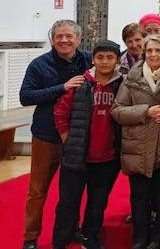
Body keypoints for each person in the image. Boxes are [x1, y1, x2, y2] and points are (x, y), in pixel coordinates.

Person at [19, 20, 92, 249]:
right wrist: (62, 87)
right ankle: (31, 237)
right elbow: (26, 96)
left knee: (73, 189)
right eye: (59, 36)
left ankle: (71, 228)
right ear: (52, 39)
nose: (64, 40)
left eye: (69, 36)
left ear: (78, 39)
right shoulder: (39, 65)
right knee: (37, 190)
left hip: (78, 137)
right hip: (46, 136)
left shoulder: (88, 59)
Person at [51, 40, 123, 249]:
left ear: (117, 60)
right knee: (68, 201)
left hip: (107, 157)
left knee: (98, 202)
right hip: (78, 156)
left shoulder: (122, 85)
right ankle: (61, 239)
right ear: (93, 59)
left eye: (110, 57)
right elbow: (60, 113)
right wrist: (69, 141)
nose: (104, 62)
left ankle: (89, 235)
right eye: (100, 57)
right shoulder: (80, 83)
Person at [112, 35, 160, 249]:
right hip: (137, 147)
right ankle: (140, 239)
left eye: (158, 51)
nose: (153, 55)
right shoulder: (131, 78)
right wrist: (146, 111)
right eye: (149, 51)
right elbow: (117, 110)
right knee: (139, 199)